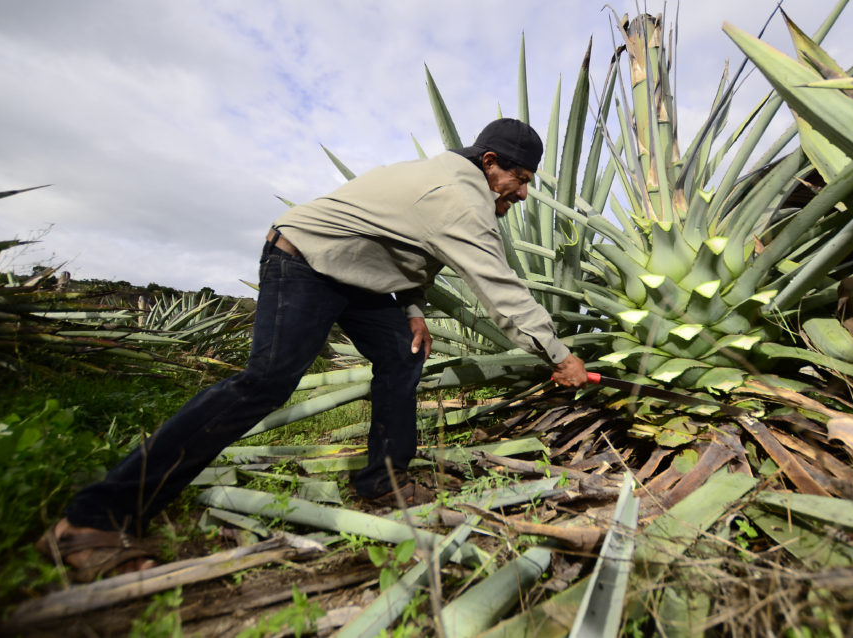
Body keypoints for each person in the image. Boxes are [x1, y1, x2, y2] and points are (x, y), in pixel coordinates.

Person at [38, 118, 588, 580]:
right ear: (490, 163)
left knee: (401, 354)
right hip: (303, 261)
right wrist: (559, 355)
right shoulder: (459, 197)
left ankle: (383, 481)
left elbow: (412, 247)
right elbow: (499, 287)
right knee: (266, 382)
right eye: (519, 179)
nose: (522, 193)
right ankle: (92, 519)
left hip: (352, 274)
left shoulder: (448, 181)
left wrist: (413, 310)